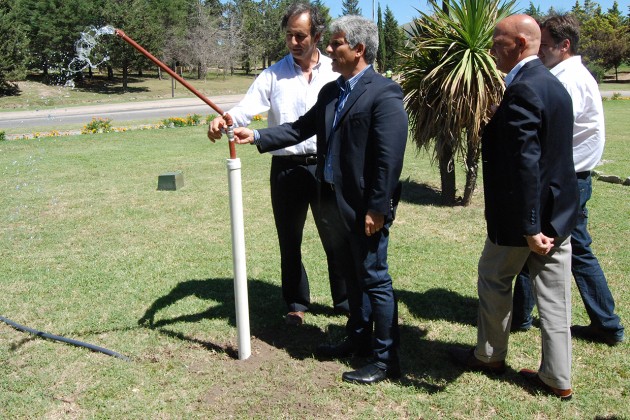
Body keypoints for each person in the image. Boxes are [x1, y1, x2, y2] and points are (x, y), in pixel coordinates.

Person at [230, 15, 408, 385]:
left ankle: (384, 357)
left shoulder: (384, 92)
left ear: (358, 50)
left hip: (364, 208)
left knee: (374, 278)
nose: (328, 49)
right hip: (333, 204)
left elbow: (388, 160)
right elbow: (299, 128)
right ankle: (357, 340)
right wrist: (258, 136)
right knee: (353, 275)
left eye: (336, 43)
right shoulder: (333, 91)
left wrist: (378, 208)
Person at [449, 14, 578, 400]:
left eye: (497, 42)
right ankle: (558, 378)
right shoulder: (554, 85)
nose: (490, 50)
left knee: (493, 278)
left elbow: (527, 163)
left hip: (525, 220)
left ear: (520, 44)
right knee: (555, 298)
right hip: (559, 216)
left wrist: (529, 225)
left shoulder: (522, 88)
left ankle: (489, 356)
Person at [208, 2, 347, 326]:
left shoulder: (333, 70)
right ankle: (296, 304)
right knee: (289, 239)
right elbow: (244, 110)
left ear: (317, 35)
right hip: (285, 169)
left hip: (326, 167)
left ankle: (344, 300)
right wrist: (223, 119)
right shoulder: (273, 75)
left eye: (301, 36)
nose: (294, 42)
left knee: (336, 238)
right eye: (289, 36)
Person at [511, 14, 625, 346]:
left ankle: (607, 323)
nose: (539, 51)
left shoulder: (568, 79)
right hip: (569, 177)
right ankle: (521, 315)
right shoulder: (564, 75)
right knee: (545, 245)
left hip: (566, 180)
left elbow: (548, 132)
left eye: (544, 45)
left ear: (565, 45)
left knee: (563, 247)